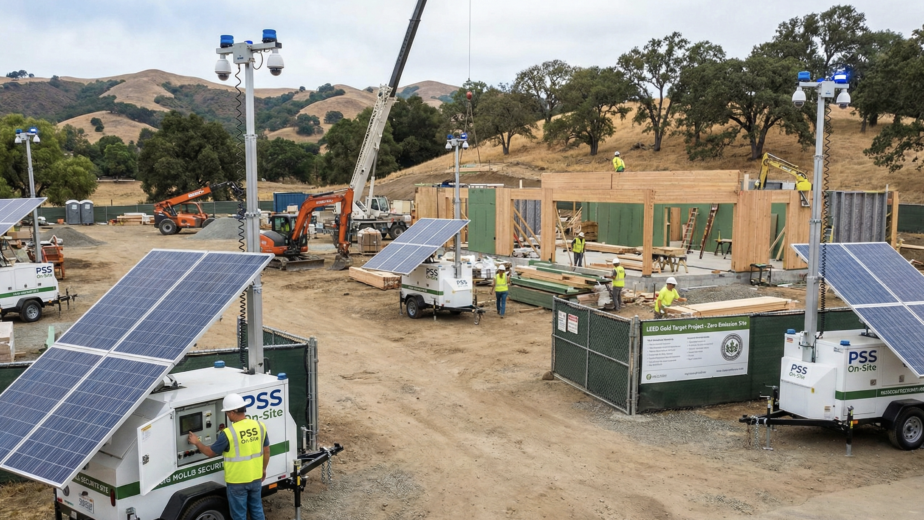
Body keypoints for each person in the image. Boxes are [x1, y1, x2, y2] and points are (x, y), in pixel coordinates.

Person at [188, 393, 270, 520]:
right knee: (257, 509)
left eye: (227, 412)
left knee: (239, 515)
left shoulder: (228, 433)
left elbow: (210, 452)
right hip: (255, 478)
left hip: (237, 482)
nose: (226, 415)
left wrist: (197, 441)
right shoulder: (259, 426)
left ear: (232, 412)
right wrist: (263, 469)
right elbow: (266, 451)